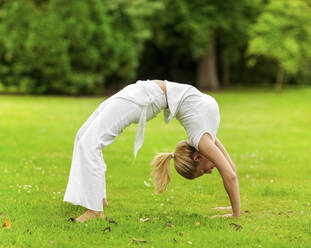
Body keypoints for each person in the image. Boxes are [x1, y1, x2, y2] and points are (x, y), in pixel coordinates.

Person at [63, 79, 240, 222]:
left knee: (89, 141)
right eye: (203, 171)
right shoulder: (203, 140)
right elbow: (230, 174)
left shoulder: (202, 138)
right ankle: (96, 205)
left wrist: (233, 209)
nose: (210, 171)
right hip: (143, 96)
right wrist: (235, 214)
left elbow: (230, 171)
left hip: (144, 95)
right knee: (84, 137)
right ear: (197, 157)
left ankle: (95, 206)